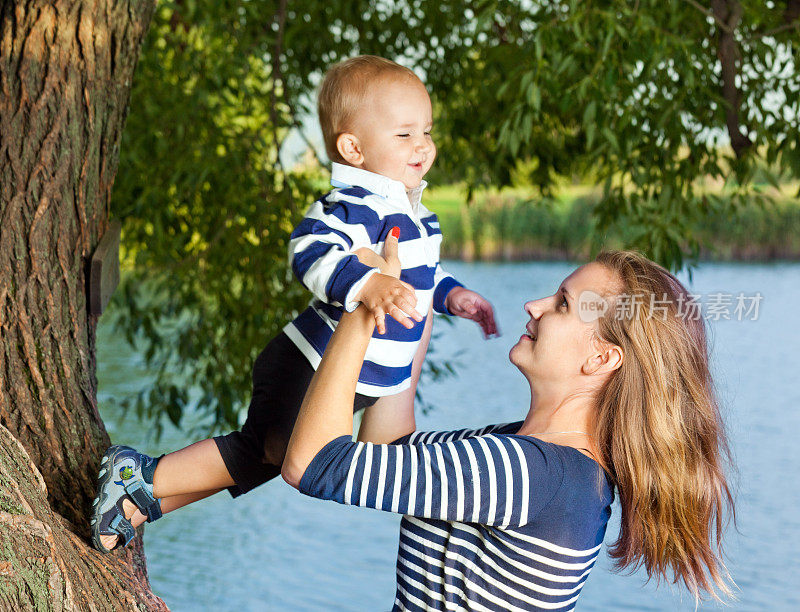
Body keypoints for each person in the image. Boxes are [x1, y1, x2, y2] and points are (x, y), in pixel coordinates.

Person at [90, 55, 498, 552]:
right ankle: (136, 477)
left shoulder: (418, 216)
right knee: (271, 450)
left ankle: (135, 505)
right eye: (405, 134)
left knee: (269, 458)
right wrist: (366, 285)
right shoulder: (352, 207)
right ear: (354, 147)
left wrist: (453, 295)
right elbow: (311, 252)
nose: (424, 146)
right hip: (308, 361)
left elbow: (420, 276)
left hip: (353, 380)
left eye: (427, 132)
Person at [282, 236, 735, 611]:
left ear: (602, 357)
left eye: (561, 304)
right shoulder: (533, 460)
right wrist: (409, 296)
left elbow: (310, 463)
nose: (533, 305)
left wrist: (361, 301)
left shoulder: (531, 473)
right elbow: (389, 443)